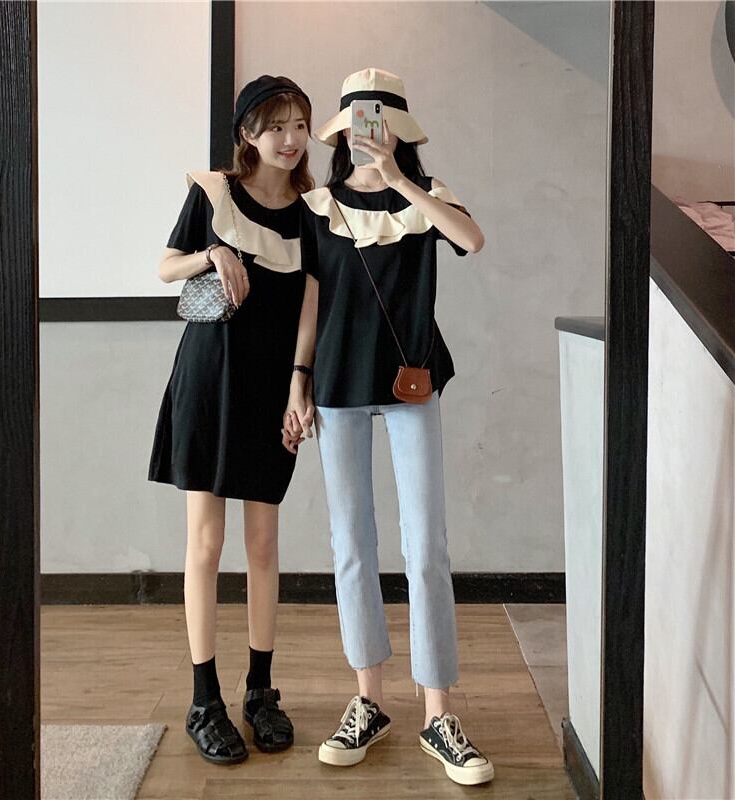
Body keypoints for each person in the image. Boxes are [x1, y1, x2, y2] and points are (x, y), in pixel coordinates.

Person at [283, 67, 494, 786]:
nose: (364, 135)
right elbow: (311, 299)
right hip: (338, 381)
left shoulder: (426, 198)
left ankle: (439, 713)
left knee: (425, 545)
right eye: (355, 124)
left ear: (397, 130)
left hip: (411, 381)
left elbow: (472, 240)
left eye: (378, 123)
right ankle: (369, 700)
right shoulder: (316, 208)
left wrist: (400, 178)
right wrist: (298, 379)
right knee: (351, 544)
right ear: (341, 131)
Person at [148, 75, 313, 765]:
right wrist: (211, 252)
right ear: (248, 133)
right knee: (206, 545)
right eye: (276, 126)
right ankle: (204, 700)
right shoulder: (212, 193)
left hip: (273, 389)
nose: (290, 138)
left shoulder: (312, 211)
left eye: (299, 124)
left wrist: (300, 385)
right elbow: (165, 269)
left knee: (265, 545)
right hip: (209, 382)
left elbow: (312, 305)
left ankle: (260, 692)